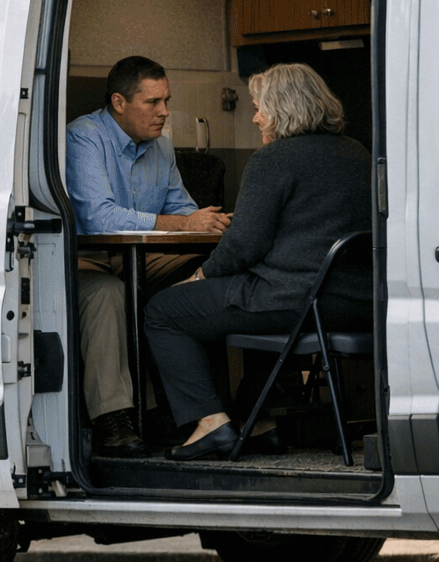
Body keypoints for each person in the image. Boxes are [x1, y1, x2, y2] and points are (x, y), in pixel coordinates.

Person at [145, 63, 372, 461]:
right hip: (357, 300)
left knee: (164, 309)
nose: (254, 116)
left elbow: (243, 247)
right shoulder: (356, 152)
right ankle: (259, 421)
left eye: (259, 107)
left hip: (297, 299)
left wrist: (199, 276)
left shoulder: (273, 159)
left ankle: (211, 424)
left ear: (282, 109)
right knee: (245, 301)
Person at [66, 55, 231, 458]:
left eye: (167, 101)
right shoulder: (84, 137)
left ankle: (209, 412)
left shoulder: (161, 146)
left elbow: (184, 212)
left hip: (141, 257)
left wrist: (212, 225)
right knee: (106, 294)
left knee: (209, 276)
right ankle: (115, 421)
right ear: (119, 102)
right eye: (153, 102)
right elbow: (98, 217)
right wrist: (184, 225)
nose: (164, 112)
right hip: (89, 256)